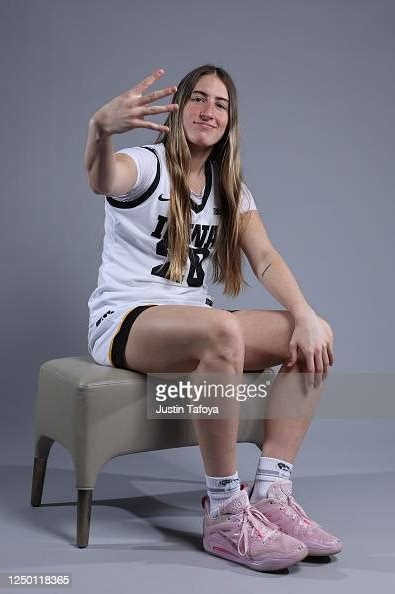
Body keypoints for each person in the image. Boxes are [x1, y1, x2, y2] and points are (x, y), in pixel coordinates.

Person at [84, 65, 342, 572]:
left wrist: (306, 313)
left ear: (230, 120)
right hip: (125, 321)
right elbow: (103, 179)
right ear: (178, 109)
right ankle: (225, 510)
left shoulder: (230, 188)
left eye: (220, 103)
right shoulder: (146, 165)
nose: (209, 110)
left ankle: (270, 493)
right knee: (222, 329)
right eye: (198, 99)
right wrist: (100, 129)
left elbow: (264, 257)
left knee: (308, 334)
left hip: (192, 324)